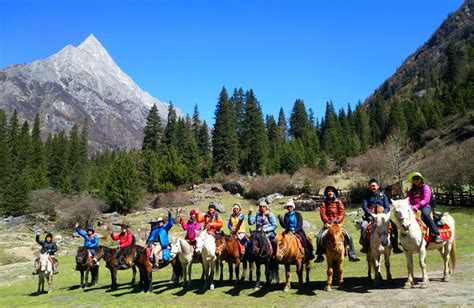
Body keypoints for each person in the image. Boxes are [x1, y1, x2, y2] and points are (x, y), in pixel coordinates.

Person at [315, 186, 359, 263]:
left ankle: (352, 254)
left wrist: (338, 220)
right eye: (328, 191)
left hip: (338, 224)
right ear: (326, 193)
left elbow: (342, 212)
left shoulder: (339, 202)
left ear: (334, 193)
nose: (330, 192)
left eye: (331, 191)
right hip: (328, 225)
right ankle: (320, 255)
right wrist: (327, 222)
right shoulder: (324, 203)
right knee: (319, 237)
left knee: (349, 236)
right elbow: (322, 214)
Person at [360, 179, 403, 254]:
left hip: (382, 217)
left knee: (394, 227)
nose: (372, 187)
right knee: (363, 226)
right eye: (371, 186)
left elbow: (387, 206)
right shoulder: (366, 196)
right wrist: (370, 213)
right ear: (369, 187)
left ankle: (395, 246)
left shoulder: (383, 195)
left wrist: (384, 213)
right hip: (370, 216)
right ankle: (365, 246)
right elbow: (364, 206)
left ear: (377, 186)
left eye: (374, 186)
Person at [407, 172, 442, 244]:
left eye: (417, 178)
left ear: (420, 179)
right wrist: (409, 205)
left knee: (425, 214)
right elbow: (408, 199)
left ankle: (436, 234)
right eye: (414, 179)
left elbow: (426, 200)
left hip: (425, 206)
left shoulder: (425, 187)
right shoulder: (411, 190)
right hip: (413, 207)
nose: (416, 180)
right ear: (412, 181)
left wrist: (417, 206)